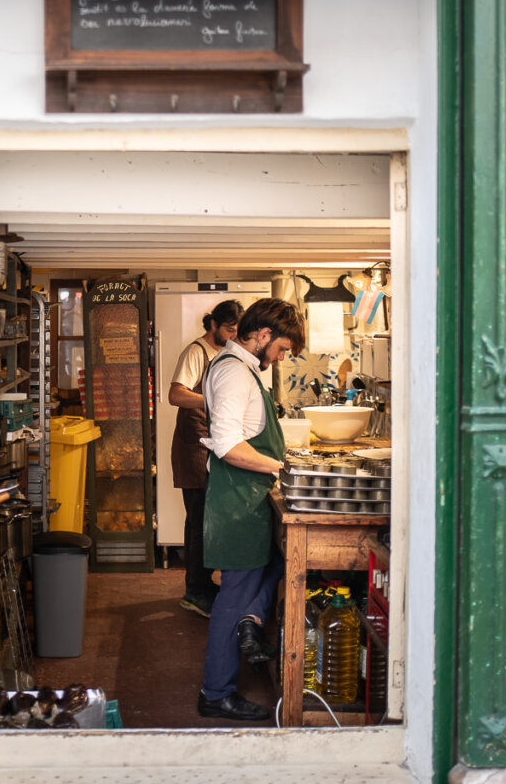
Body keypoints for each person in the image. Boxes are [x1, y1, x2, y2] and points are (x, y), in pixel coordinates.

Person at [195, 297, 306, 721]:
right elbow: (227, 444)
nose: (280, 357)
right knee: (231, 598)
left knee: (278, 563)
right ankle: (216, 692)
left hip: (247, 497)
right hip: (236, 502)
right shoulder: (234, 374)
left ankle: (253, 618)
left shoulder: (243, 369)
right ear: (261, 335)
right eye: (280, 349)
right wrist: (283, 467)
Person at [168, 299, 243, 618]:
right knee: (198, 521)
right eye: (228, 329)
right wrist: (214, 399)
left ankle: (205, 586)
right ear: (212, 324)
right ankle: (195, 593)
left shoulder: (225, 352)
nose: (233, 335)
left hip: (212, 445)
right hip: (194, 447)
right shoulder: (195, 352)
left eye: (237, 330)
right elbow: (176, 395)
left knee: (209, 522)